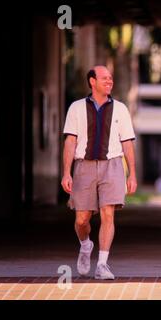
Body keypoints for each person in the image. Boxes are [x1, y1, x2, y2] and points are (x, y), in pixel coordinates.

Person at [61, 66, 137, 280]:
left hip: (112, 165)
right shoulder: (76, 108)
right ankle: (86, 245)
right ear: (92, 81)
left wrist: (132, 174)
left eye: (111, 78)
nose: (109, 81)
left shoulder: (120, 109)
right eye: (104, 78)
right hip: (83, 166)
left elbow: (128, 143)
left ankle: (102, 264)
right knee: (81, 219)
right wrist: (67, 173)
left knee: (108, 214)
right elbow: (70, 141)